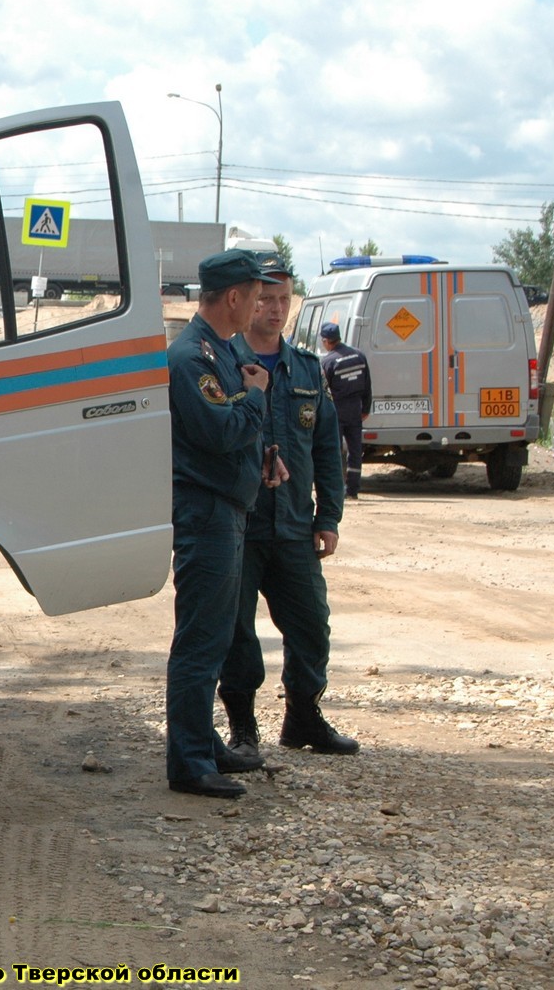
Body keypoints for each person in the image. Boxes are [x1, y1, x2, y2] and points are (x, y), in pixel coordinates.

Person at [219, 261, 360, 758]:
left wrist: (329, 518)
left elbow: (328, 448)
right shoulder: (223, 360)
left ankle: (303, 716)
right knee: (236, 631)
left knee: (311, 626)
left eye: (284, 300)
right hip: (239, 524)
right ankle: (242, 727)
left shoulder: (305, 368)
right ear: (246, 299)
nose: (276, 310)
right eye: (266, 299)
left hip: (295, 526)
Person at [165, 249, 285, 799]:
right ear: (233, 297)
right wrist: (257, 397)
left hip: (228, 507)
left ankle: (204, 743)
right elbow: (219, 431)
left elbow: (236, 430)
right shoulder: (192, 357)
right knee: (199, 638)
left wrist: (265, 454)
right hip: (206, 511)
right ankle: (188, 761)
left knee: (214, 639)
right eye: (257, 295)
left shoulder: (220, 350)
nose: (262, 304)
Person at [319, 322, 372, 499]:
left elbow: (324, 391)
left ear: (326, 341)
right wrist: (366, 408)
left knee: (335, 450)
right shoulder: (359, 356)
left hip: (337, 411)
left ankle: (335, 489)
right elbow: (367, 385)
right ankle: (352, 491)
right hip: (355, 410)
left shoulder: (328, 361)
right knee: (355, 450)